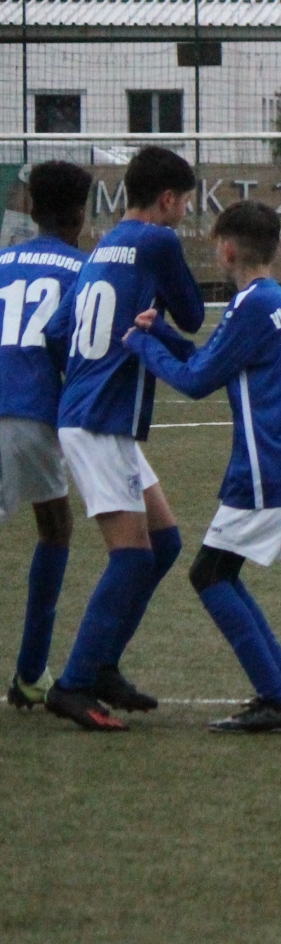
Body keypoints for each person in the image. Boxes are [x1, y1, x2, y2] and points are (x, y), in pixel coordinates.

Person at [125, 200, 281, 733]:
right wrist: (163, 334)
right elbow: (212, 356)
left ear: (229, 249)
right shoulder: (272, 298)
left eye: (217, 243)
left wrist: (141, 343)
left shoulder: (251, 305)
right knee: (222, 573)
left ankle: (276, 700)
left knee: (208, 574)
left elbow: (194, 381)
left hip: (269, 464)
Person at [42, 146, 206, 731]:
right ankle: (73, 683)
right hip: (99, 421)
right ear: (167, 199)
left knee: (162, 545)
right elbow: (190, 315)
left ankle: (104, 666)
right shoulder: (157, 242)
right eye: (184, 202)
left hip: (92, 413)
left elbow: (59, 331)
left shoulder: (101, 247)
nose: (184, 213)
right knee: (132, 557)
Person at [1, 161, 90, 710]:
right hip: (29, 413)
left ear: (29, 209)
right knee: (55, 528)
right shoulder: (80, 270)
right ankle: (31, 671)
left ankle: (32, 672)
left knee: (54, 523)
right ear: (81, 214)